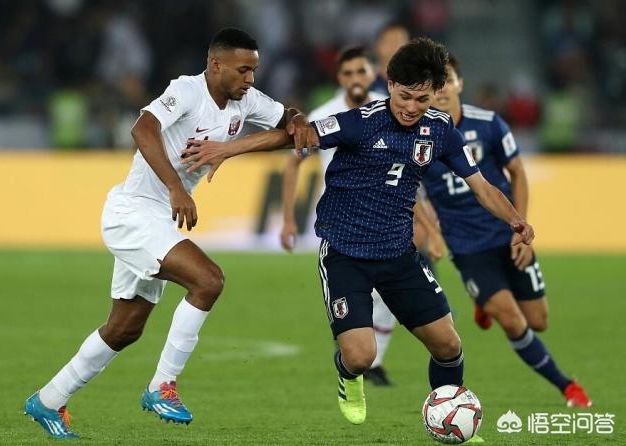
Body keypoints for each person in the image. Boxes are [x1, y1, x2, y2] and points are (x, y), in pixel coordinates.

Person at [181, 37, 534, 428]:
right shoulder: (359, 122)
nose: (411, 107)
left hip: (398, 255)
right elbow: (292, 137)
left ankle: (451, 417)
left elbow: (481, 186)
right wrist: (225, 149)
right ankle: (348, 376)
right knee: (361, 356)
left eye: (422, 99)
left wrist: (515, 220)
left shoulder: (440, 130)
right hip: (345, 253)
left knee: (448, 344)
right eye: (404, 96)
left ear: (436, 93)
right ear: (390, 84)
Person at [23, 28, 314, 439]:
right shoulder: (187, 91)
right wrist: (177, 188)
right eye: (242, 70)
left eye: (254, 70)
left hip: (158, 220)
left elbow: (289, 126)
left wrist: (293, 119)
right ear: (215, 65)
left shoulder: (246, 100)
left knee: (125, 328)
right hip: (133, 213)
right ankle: (162, 386)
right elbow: (142, 130)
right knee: (208, 280)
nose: (250, 79)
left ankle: (49, 399)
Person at [421, 53, 592, 407]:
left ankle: (483, 303)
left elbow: (518, 172)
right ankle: (567, 386)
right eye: (434, 84)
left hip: (505, 235)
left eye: (447, 80)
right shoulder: (419, 135)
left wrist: (521, 228)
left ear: (459, 83)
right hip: (468, 247)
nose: (442, 89)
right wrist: (431, 232)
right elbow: (412, 193)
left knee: (538, 321)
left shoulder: (488, 124)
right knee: (513, 321)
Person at [280, 46, 396, 386]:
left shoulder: (389, 108)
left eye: (361, 71)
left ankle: (372, 360)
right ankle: (357, 355)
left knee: (390, 291)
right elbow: (293, 162)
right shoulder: (324, 116)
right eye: (348, 73)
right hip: (340, 221)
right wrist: (288, 219)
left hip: (386, 216)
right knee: (356, 291)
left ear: (373, 73)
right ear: (339, 78)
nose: (355, 79)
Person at [370, 24, 410, 96]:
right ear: (377, 46)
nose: (395, 46)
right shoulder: (365, 81)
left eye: (400, 41)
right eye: (390, 41)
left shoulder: (420, 83)